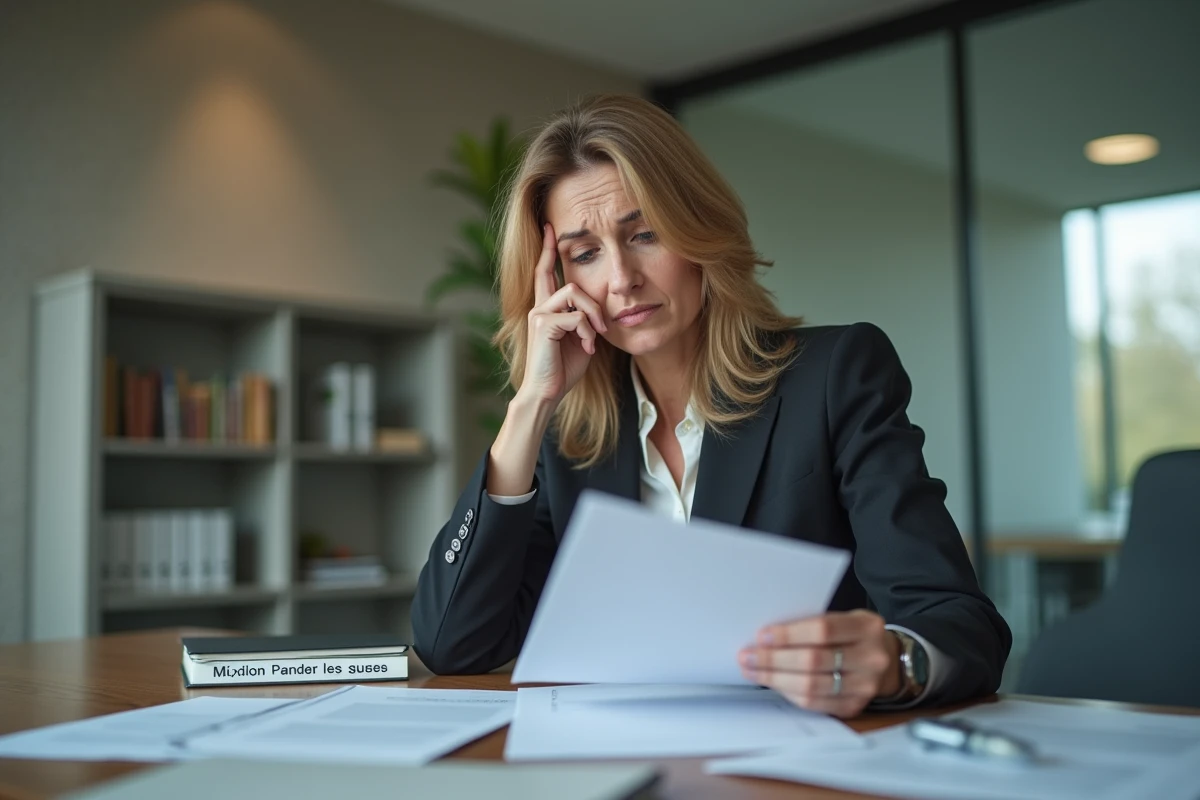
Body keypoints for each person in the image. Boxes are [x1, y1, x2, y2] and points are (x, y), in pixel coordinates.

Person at [412, 93, 1010, 718]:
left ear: (701, 231)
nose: (620, 279)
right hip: (622, 763)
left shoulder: (836, 376)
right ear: (558, 280)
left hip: (805, 763)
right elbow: (454, 642)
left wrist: (895, 662)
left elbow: (960, 622)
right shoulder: (565, 435)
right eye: (584, 252)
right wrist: (529, 405)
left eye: (644, 234)